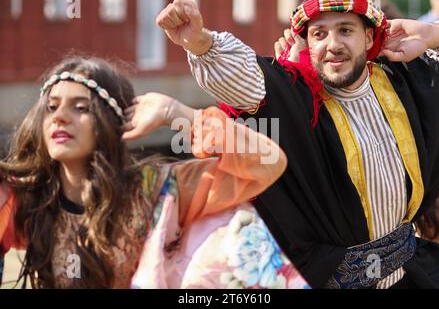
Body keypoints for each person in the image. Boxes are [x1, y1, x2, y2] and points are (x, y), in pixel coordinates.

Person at [156, 0, 439, 288]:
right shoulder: (295, 97)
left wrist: (434, 33)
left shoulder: (402, 79)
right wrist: (199, 40)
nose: (332, 45)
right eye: (319, 34)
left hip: (412, 276)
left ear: (370, 38)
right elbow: (246, 80)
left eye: (345, 30)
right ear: (307, 44)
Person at [0, 56, 298, 288]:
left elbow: (268, 161)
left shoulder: (158, 190)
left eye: (80, 108)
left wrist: (176, 113)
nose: (60, 117)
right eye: (51, 107)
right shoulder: (29, 200)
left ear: (109, 122)